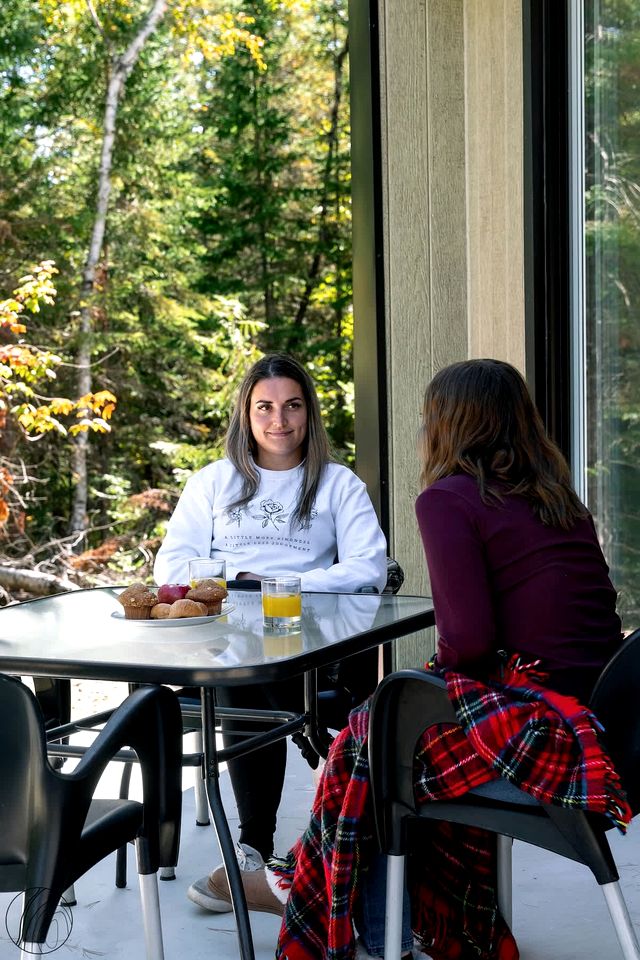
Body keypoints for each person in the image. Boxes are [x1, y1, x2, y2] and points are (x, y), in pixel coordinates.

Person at [212, 358, 628, 960]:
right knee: (380, 730)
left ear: (447, 424)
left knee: (370, 745)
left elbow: (468, 643)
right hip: (594, 716)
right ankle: (363, 907)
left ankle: (323, 895)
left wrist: (428, 686)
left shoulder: (449, 499)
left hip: (539, 727)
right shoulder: (560, 500)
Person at [153, 353, 388, 911]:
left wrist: (284, 584)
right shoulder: (214, 482)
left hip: (305, 642)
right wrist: (239, 581)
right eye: (265, 407)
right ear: (246, 413)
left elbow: (369, 569)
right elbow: (171, 568)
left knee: (244, 671)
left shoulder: (336, 484)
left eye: (291, 406)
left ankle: (253, 850)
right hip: (221, 639)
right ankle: (297, 781)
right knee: (237, 663)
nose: (278, 420)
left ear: (309, 412)